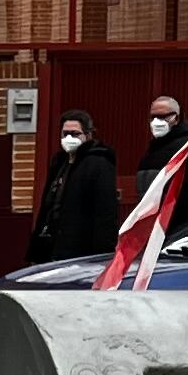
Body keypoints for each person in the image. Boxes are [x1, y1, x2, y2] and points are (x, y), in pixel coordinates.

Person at [32, 108, 123, 262]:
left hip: (81, 247)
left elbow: (105, 212)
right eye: (65, 133)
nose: (69, 138)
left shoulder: (98, 163)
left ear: (87, 135)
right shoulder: (59, 162)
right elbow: (47, 207)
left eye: (75, 134)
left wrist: (103, 254)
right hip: (52, 243)